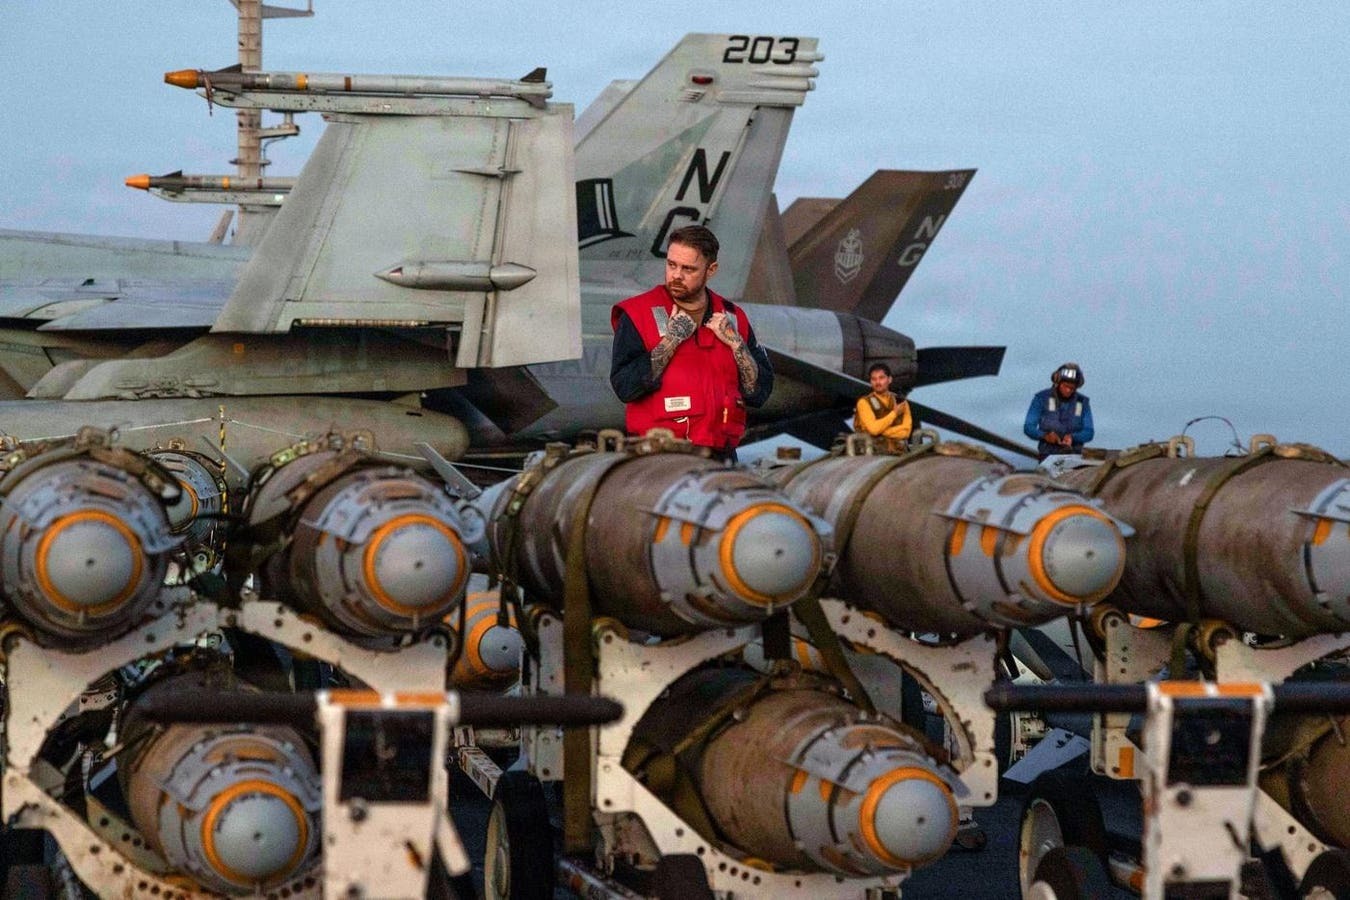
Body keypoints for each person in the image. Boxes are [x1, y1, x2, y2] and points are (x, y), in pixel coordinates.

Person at [609, 225, 772, 459]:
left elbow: (759, 392)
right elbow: (625, 387)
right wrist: (671, 340)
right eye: (671, 264)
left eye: (688, 269)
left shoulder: (734, 317)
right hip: (659, 458)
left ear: (711, 270)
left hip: (720, 457)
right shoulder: (638, 314)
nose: (676, 275)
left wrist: (737, 344)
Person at [1023, 362, 1094, 459]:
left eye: (1072, 388)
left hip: (1074, 457)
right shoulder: (1041, 398)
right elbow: (1028, 427)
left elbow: (1089, 432)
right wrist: (1045, 436)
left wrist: (1072, 437)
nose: (1068, 390)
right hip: (1047, 456)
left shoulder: (1082, 402)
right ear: (1058, 382)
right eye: (1065, 386)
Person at [853, 362, 912, 447]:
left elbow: (906, 432)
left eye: (881, 378)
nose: (877, 382)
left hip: (898, 450)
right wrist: (894, 413)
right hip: (870, 450)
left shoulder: (901, 402)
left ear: (889, 379)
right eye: (874, 379)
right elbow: (874, 429)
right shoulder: (864, 403)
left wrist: (879, 432)